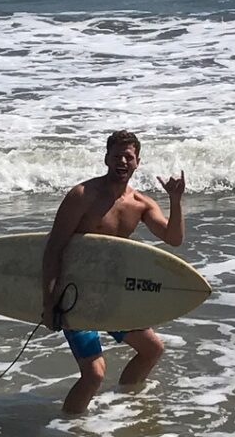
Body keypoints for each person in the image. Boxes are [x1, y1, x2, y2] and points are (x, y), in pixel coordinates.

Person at [41, 130, 185, 415]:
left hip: (111, 293)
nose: (122, 161)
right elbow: (53, 248)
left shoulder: (141, 204)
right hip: (75, 295)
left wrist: (176, 200)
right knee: (94, 374)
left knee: (152, 349)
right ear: (106, 158)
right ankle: (69, 429)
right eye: (116, 155)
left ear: (137, 162)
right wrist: (49, 302)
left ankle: (124, 407)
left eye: (128, 157)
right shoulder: (82, 196)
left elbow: (173, 237)